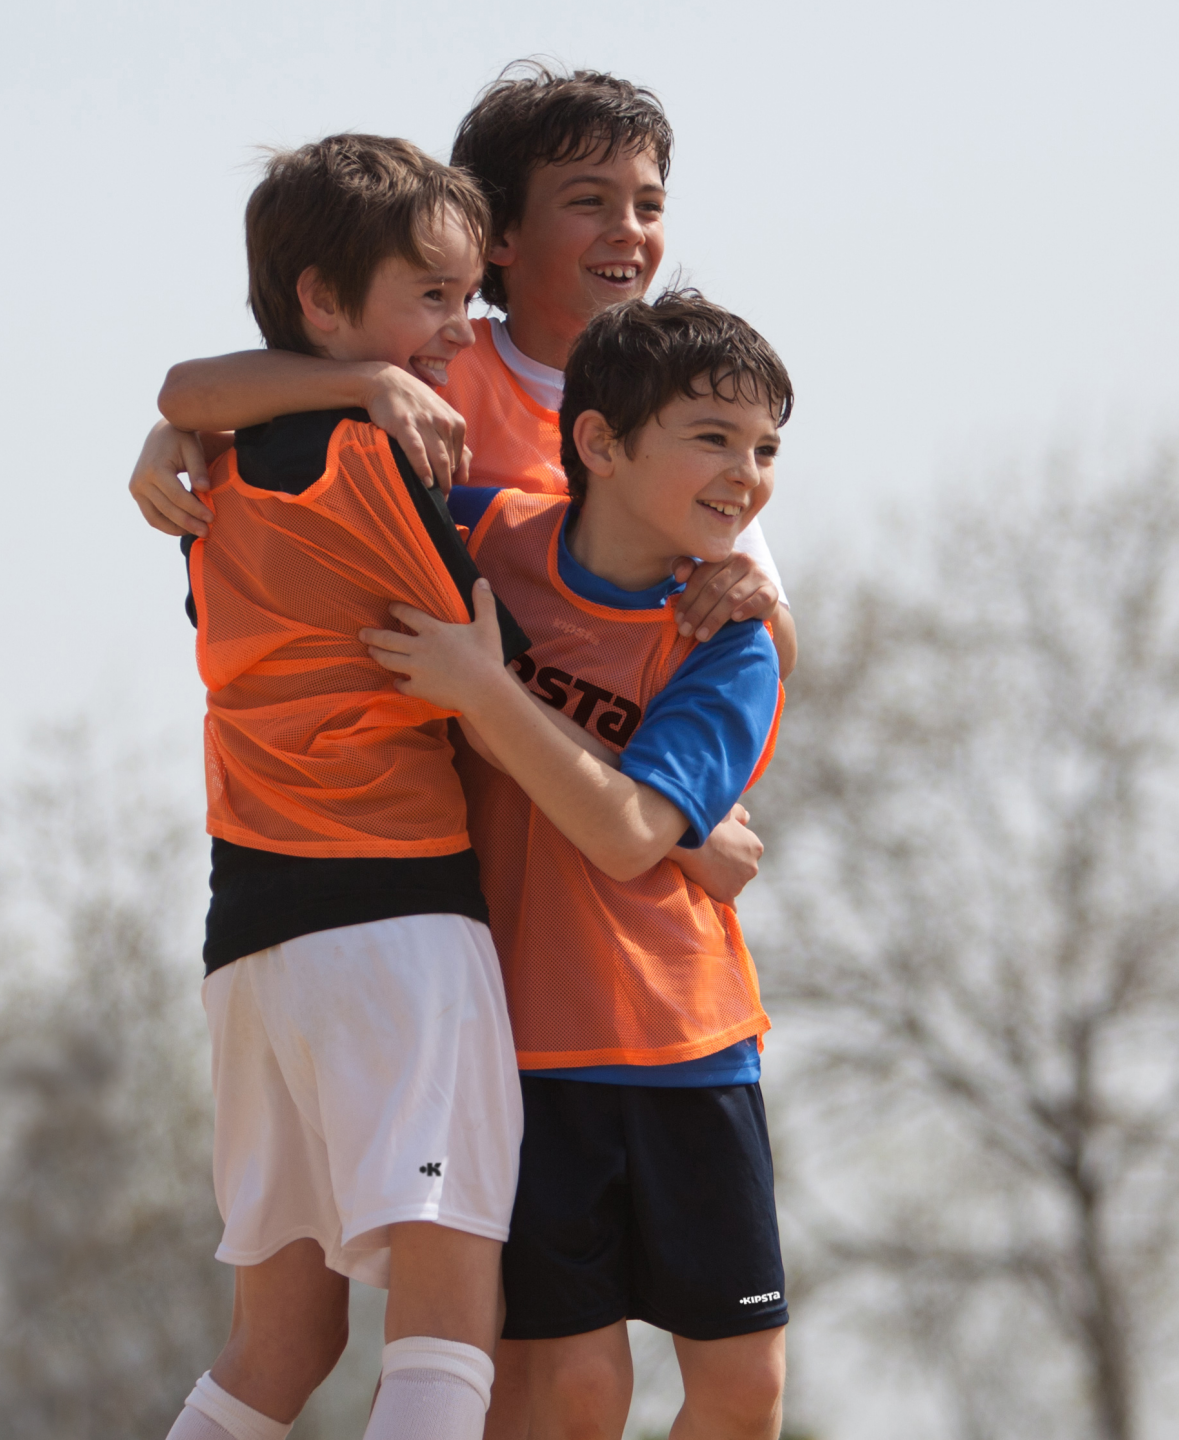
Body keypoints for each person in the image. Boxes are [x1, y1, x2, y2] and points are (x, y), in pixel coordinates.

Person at [362, 290, 794, 1440]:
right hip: (521, 1055)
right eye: (712, 436)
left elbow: (625, 836)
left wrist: (482, 691)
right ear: (599, 442)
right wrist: (182, 442)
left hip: (691, 1050)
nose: (746, 474)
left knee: (743, 1389)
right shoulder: (486, 533)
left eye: (766, 449)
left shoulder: (730, 644)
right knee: (574, 1390)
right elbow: (297, 481)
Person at [163, 133, 529, 1440]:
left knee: (285, 1337)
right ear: (323, 303)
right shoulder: (372, 461)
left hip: (249, 948)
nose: (461, 324)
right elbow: (504, 676)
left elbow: (192, 390)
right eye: (430, 295)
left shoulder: (209, 473)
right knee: (447, 1307)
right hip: (395, 930)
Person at [127, 63, 798, 679]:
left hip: (591, 771)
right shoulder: (432, 363)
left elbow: (777, 648)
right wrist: (183, 432)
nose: (627, 229)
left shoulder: (688, 411)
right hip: (435, 772)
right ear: (497, 234)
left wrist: (751, 596)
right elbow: (198, 392)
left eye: (648, 207)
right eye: (589, 202)